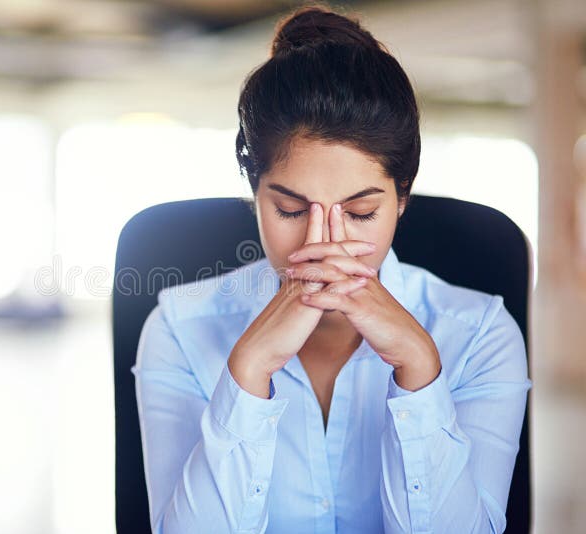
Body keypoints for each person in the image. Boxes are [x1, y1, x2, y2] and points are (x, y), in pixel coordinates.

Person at [131, 3, 532, 533]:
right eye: (291, 210)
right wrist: (247, 372)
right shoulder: (180, 329)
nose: (324, 244)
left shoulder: (481, 335)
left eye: (361, 212)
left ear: (403, 199)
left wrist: (419, 371)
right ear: (254, 196)